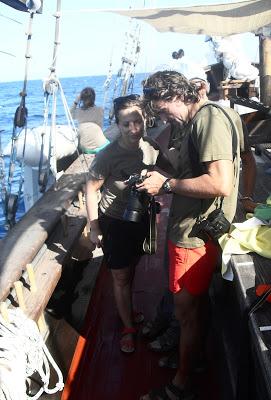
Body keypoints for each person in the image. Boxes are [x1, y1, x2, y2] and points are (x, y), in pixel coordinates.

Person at [138, 70, 244, 400]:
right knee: (193, 309)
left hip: (193, 235)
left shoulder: (206, 121)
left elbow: (219, 183)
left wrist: (165, 185)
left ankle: (180, 386)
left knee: (186, 313)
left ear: (177, 96)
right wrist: (161, 173)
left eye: (163, 110)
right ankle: (192, 360)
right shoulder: (212, 115)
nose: (164, 117)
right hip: (200, 229)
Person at [85, 94, 174, 354]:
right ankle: (127, 327)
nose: (133, 129)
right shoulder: (108, 156)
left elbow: (170, 169)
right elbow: (91, 190)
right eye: (126, 124)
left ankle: (127, 312)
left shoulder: (151, 146)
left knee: (132, 266)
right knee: (120, 275)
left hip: (141, 218)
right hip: (114, 221)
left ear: (145, 119)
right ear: (117, 124)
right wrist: (94, 227)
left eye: (138, 121)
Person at [71, 87, 109, 154]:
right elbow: (100, 127)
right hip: (101, 146)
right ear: (94, 98)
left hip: (86, 149)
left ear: (81, 98)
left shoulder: (78, 112)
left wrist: (76, 101)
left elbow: (69, 114)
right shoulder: (100, 110)